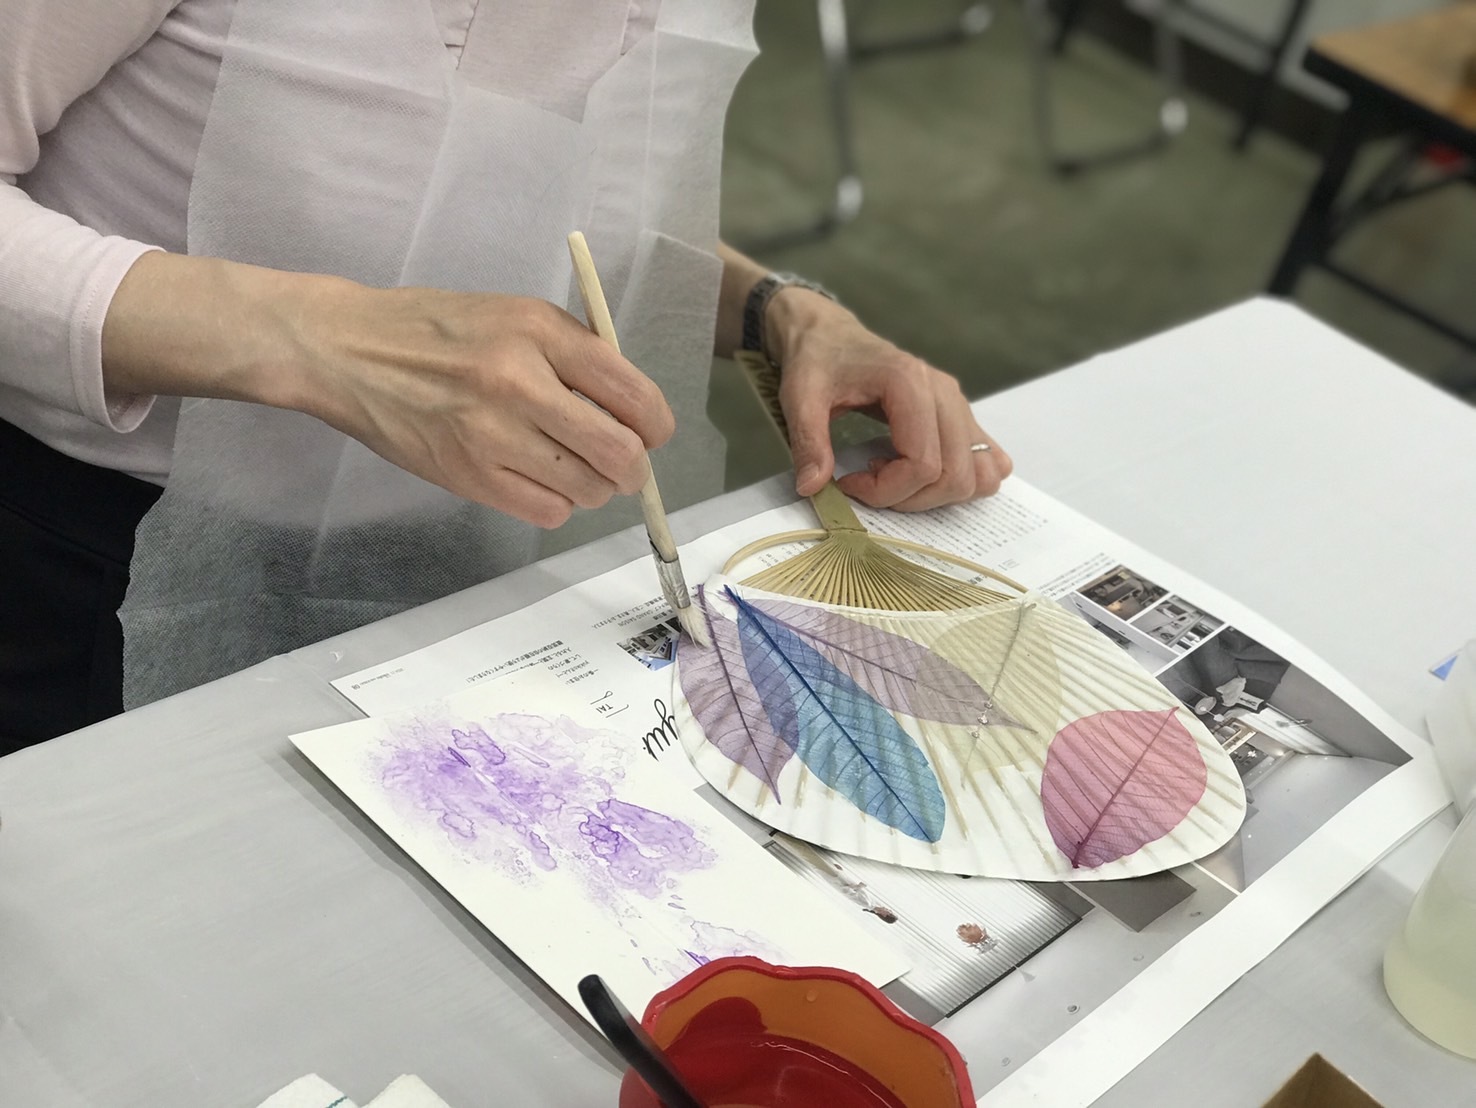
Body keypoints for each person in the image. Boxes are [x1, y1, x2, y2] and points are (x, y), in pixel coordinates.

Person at [0, 0, 1012, 753]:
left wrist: (776, 312)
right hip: (78, 555)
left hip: (442, 568)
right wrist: (322, 339)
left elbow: (551, 210)